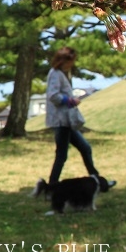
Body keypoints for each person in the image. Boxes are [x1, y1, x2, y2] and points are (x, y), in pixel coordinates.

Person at [45, 46, 102, 185]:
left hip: (67, 121)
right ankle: (52, 186)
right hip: (61, 121)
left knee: (84, 148)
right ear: (62, 61)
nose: (72, 64)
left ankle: (96, 180)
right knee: (62, 154)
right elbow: (53, 95)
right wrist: (70, 101)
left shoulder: (62, 74)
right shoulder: (55, 74)